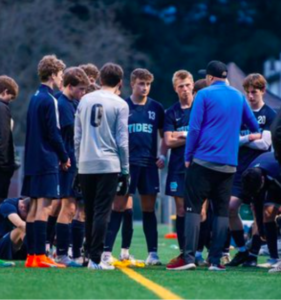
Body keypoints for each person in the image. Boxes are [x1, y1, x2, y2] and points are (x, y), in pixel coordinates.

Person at [179, 60, 259, 271]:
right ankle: (216, 261)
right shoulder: (238, 96)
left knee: (193, 208)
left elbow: (194, 128)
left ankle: (189, 258)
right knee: (222, 211)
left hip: (204, 160)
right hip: (229, 164)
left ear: (210, 78)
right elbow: (254, 127)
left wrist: (188, 155)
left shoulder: (204, 94)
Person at [101, 68, 166, 266]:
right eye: (141, 83)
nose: (145, 87)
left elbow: (165, 135)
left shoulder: (157, 108)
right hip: (126, 166)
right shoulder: (122, 106)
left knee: (148, 208)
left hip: (148, 165)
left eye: (147, 84)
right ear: (132, 84)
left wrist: (162, 155)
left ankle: (153, 253)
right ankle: (106, 252)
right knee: (118, 206)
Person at [74, 62, 129, 270]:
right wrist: (125, 169)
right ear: (120, 82)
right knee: (102, 212)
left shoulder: (84, 100)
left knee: (88, 210)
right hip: (108, 163)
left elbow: (77, 137)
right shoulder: (120, 104)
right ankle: (96, 259)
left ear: (100, 79)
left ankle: (88, 255)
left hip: (86, 163)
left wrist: (79, 163)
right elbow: (122, 141)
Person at [22, 55, 70, 268]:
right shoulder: (50, 99)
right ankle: (41, 255)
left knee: (33, 207)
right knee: (45, 207)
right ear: (52, 75)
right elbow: (53, 133)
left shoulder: (34, 97)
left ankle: (32, 256)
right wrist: (64, 156)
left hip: (32, 160)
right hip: (46, 159)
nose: (61, 79)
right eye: (60, 75)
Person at [226, 73, 276, 267]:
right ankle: (241, 250)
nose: (250, 96)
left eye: (254, 92)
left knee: (258, 213)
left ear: (263, 91)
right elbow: (232, 140)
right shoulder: (240, 113)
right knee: (230, 207)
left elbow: (265, 144)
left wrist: (244, 141)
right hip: (239, 170)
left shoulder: (270, 114)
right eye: (247, 92)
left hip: (261, 172)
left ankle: (253, 255)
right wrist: (249, 138)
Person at [55, 67, 89, 267]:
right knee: (67, 207)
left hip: (78, 162)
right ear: (69, 86)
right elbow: (70, 133)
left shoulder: (74, 102)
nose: (83, 94)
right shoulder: (63, 104)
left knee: (76, 207)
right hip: (69, 163)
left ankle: (73, 254)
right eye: (81, 89)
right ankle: (61, 254)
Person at [163, 70, 194, 268]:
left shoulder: (201, 109)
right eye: (180, 86)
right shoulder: (170, 112)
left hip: (198, 165)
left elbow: (204, 137)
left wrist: (180, 135)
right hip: (177, 167)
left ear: (193, 86)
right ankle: (184, 253)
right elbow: (167, 141)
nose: (184, 89)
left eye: (187, 85)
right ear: (175, 88)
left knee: (201, 210)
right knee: (181, 210)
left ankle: (199, 251)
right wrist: (190, 136)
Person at [240, 152, 281, 270]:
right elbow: (257, 205)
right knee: (267, 214)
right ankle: (274, 258)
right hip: (271, 183)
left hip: (277, 179)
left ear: (262, 180)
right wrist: (261, 228)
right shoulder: (250, 177)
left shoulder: (276, 171)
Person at [0, 76, 19, 203]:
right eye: (10, 98)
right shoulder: (2, 108)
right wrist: (6, 165)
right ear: (5, 91)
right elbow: (3, 138)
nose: (9, 102)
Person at [0, 197, 30, 267]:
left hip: (13, 247)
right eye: (29, 215)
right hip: (2, 244)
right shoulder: (7, 206)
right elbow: (20, 224)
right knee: (22, 229)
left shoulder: (23, 202)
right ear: (23, 207)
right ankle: (35, 255)